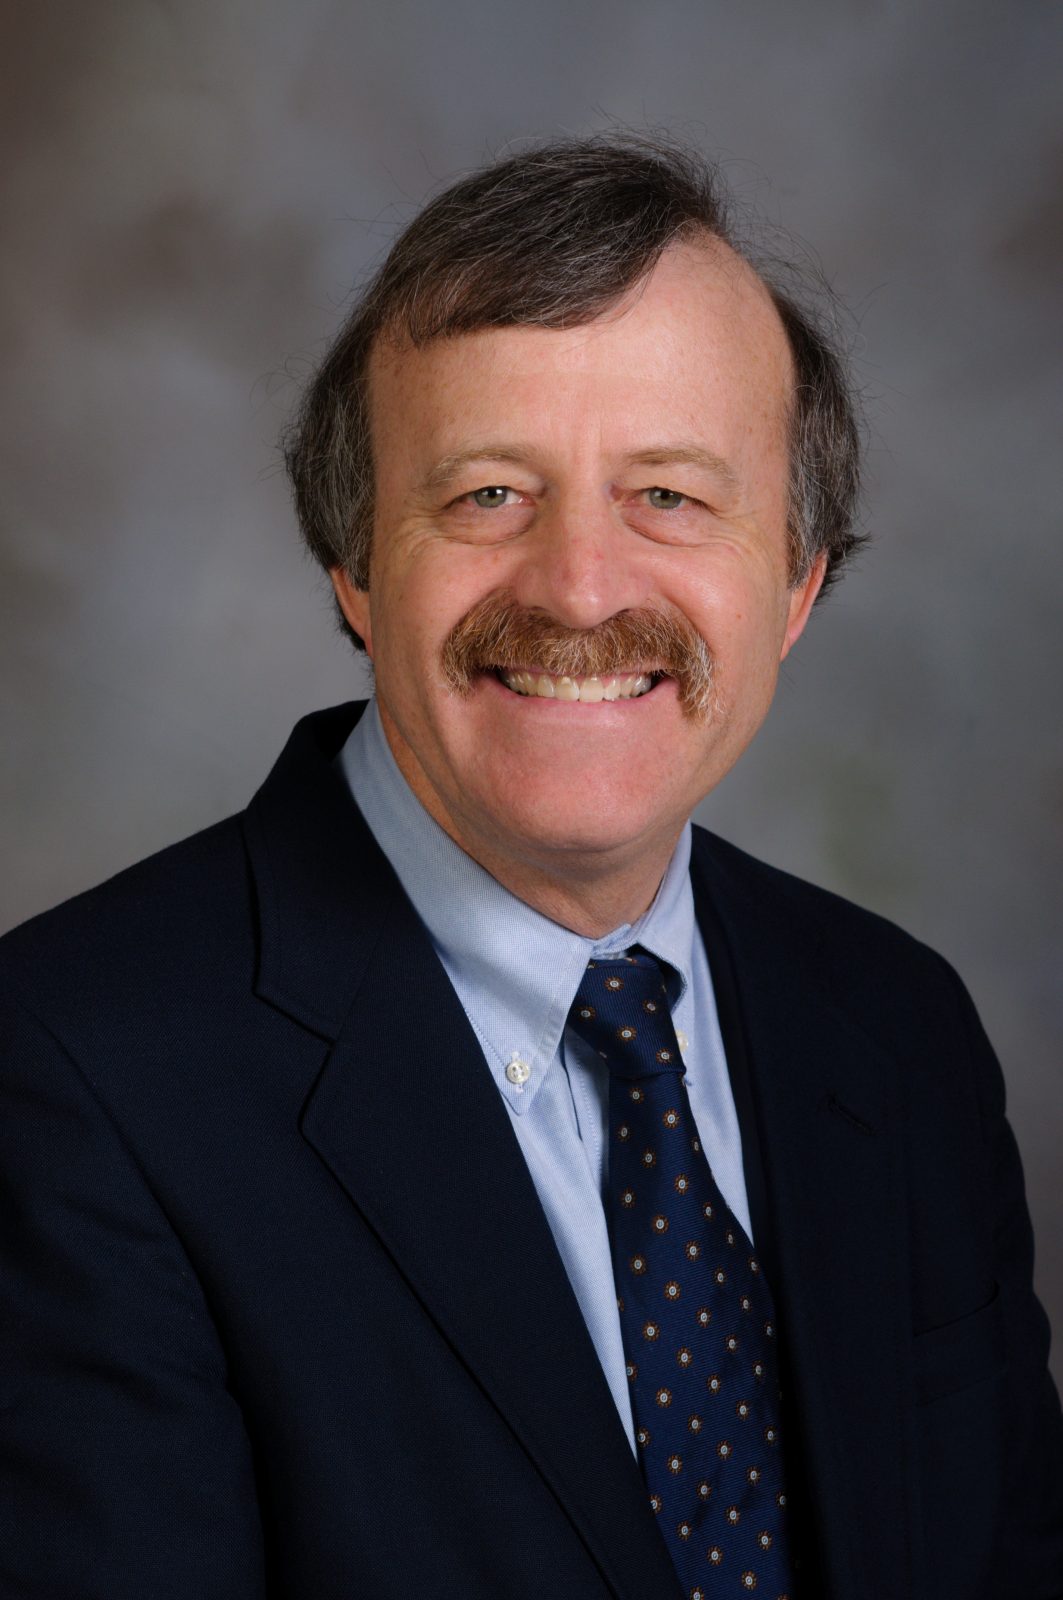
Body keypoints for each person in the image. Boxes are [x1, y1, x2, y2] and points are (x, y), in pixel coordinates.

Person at [1, 135, 1060, 1600]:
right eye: (490, 494)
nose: (578, 586)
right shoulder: (70, 1077)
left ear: (796, 585)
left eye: (670, 496)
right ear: (355, 567)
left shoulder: (898, 1028)